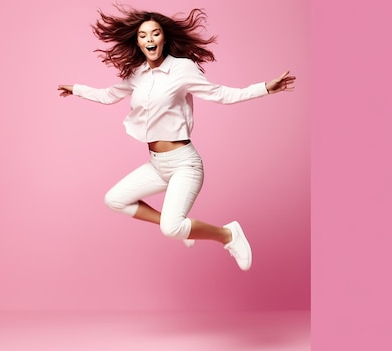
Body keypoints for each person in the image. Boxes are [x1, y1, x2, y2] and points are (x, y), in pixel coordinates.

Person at [57, 5, 295, 271]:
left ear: (164, 38)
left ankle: (228, 234)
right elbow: (107, 96)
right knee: (115, 200)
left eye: (155, 34)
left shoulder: (182, 69)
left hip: (184, 164)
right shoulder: (137, 73)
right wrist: (76, 89)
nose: (150, 40)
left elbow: (222, 95)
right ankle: (185, 230)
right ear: (137, 41)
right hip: (156, 164)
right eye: (143, 35)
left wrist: (265, 88)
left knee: (172, 228)